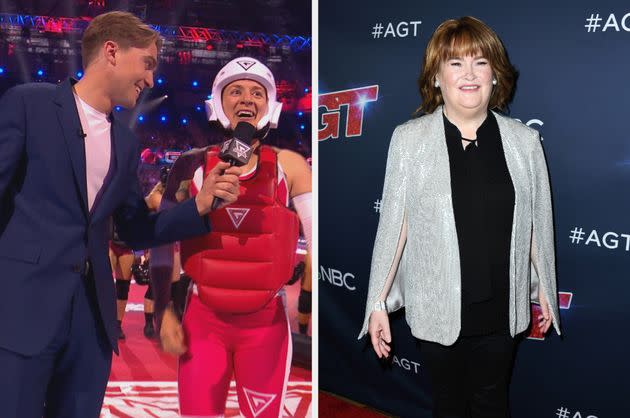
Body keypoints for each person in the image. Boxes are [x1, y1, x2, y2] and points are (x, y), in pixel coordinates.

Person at [0, 11, 241, 418]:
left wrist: (198, 208)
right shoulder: (28, 104)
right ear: (111, 52)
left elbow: (133, 229)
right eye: (147, 63)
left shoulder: (125, 143)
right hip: (23, 315)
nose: (150, 79)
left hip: (92, 327)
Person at [358, 16, 561, 418]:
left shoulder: (525, 142)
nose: (469, 74)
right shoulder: (408, 140)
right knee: (448, 406)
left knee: (492, 404)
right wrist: (376, 302)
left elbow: (539, 223)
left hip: (502, 312)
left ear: (495, 76)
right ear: (436, 77)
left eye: (480, 62)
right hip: (437, 310)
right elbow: (393, 229)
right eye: (455, 63)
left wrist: (547, 291)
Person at [153, 57, 312, 418]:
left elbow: (320, 243)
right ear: (218, 102)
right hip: (203, 321)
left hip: (265, 327)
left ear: (269, 105)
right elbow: (163, 239)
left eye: (257, 92)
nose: (246, 98)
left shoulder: (291, 166)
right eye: (235, 90)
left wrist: (312, 307)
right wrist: (164, 310)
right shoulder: (191, 165)